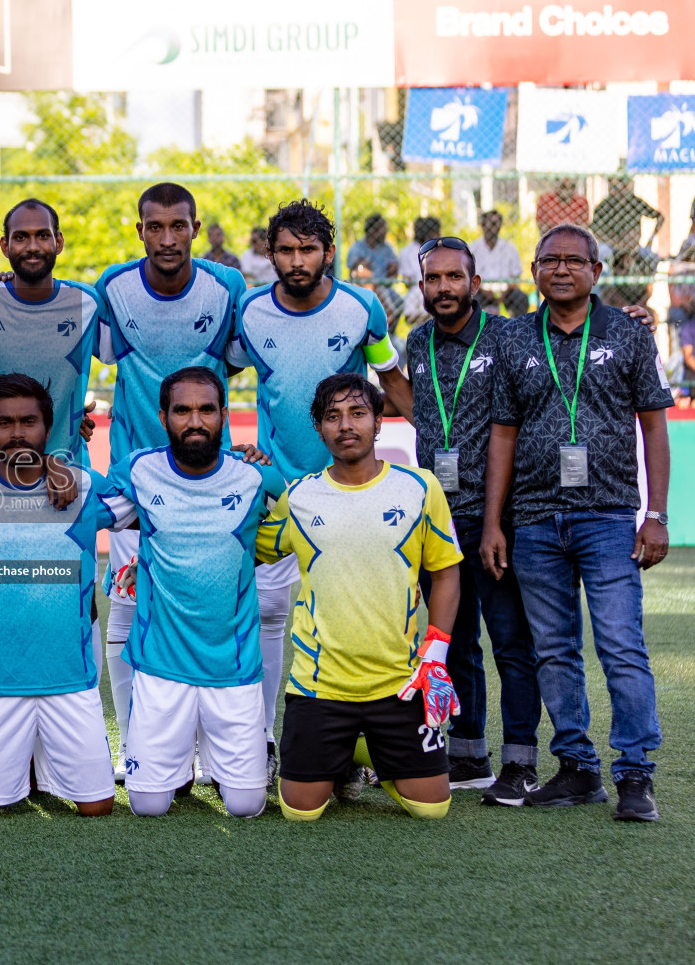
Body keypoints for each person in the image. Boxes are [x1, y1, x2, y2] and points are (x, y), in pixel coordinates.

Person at [481, 224, 674, 823]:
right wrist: (493, 522)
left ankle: (635, 774)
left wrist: (656, 514)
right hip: (535, 520)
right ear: (534, 270)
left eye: (573, 260)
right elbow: (502, 435)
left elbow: (654, 427)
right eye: (549, 260)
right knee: (553, 650)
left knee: (620, 644)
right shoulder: (514, 339)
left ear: (596, 270)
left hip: (610, 517)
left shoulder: (628, 333)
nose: (560, 269)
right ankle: (576, 769)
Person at [226, 199, 413, 784]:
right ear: (270, 253)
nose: (297, 260)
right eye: (286, 249)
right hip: (279, 490)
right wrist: (235, 451)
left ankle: (361, 747)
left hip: (348, 490)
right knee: (269, 619)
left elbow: (392, 382)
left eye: (309, 249)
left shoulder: (362, 307)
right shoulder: (250, 312)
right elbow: (205, 381)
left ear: (329, 252)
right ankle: (261, 742)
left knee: (354, 618)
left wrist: (439, 434)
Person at [258, 374, 463, 821]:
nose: (345, 425)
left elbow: (446, 573)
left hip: (400, 684)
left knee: (433, 809)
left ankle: (372, 756)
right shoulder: (298, 497)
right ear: (319, 428)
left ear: (378, 422)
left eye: (357, 413)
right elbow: (252, 549)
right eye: (332, 416)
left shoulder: (421, 488)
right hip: (320, 687)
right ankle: (342, 755)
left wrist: (437, 651)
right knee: (299, 812)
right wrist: (252, 477)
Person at [92, 182, 247, 775]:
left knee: (213, 614)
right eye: (153, 227)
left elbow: (237, 359)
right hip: (136, 485)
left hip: (211, 486)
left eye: (177, 226)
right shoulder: (113, 286)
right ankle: (139, 750)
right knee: (126, 615)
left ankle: (227, 748)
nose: (166, 238)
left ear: (195, 228)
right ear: (140, 232)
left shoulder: (226, 288)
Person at [101, 367, 281, 819]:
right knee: (147, 805)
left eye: (206, 410)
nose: (195, 421)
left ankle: (221, 764)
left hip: (234, 667)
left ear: (224, 414)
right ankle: (174, 765)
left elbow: (307, 526)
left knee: (246, 806)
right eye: (182, 410)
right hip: (162, 665)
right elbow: (89, 515)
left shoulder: (256, 478)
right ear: (163, 417)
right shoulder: (139, 470)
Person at [405, 236, 542, 802]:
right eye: (432, 279)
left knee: (511, 640)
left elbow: (568, 328)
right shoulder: (415, 343)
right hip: (438, 519)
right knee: (451, 640)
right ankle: (466, 755)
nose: (443, 288)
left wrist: (631, 315)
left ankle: (521, 761)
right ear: (421, 288)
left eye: (453, 278)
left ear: (475, 283)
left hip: (496, 519)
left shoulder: (509, 335)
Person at [0, 375, 115, 818]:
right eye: (4, 423)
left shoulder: (84, 487)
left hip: (70, 683)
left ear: (47, 426)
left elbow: (157, 487)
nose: (18, 433)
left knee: (97, 808)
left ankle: (39, 769)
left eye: (29, 422)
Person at [0, 199, 101, 462]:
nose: (32, 247)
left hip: (67, 469)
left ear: (59, 242)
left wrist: (73, 412)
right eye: (21, 237)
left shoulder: (87, 302)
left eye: (42, 236)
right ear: (5, 246)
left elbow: (132, 357)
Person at [592, 176, 663, 306]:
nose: (619, 189)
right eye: (615, 185)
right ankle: (602, 301)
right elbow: (595, 230)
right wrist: (615, 243)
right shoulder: (605, 204)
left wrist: (650, 240)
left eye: (623, 184)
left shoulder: (634, 201)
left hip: (634, 245)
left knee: (651, 256)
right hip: (611, 246)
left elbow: (659, 217)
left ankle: (641, 298)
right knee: (602, 257)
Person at [473, 210, 523, 308]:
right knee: (471, 299)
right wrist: (484, 291)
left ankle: (517, 323)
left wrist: (505, 292)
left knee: (521, 298)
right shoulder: (473, 248)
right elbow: (469, 277)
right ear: (483, 225)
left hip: (506, 292)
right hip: (480, 291)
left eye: (497, 223)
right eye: (492, 223)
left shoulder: (510, 248)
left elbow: (516, 277)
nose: (495, 227)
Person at [398, 217, 441, 282]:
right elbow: (408, 281)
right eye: (436, 233)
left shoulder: (439, 250)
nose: (439, 236)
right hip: (417, 289)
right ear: (428, 234)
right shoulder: (406, 252)